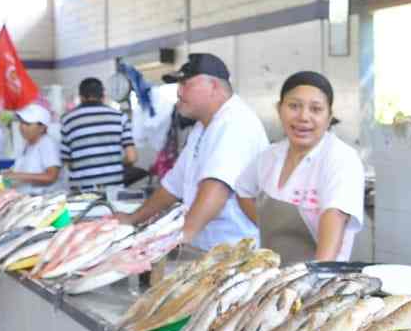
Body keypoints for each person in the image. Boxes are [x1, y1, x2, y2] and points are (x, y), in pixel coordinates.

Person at [118, 53, 267, 250]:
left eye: (185, 84)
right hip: (207, 249)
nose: (178, 92)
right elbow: (173, 185)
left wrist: (176, 239)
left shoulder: (234, 122)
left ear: (213, 86)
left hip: (236, 252)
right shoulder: (203, 126)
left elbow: (216, 189)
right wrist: (133, 219)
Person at [235, 72, 365, 264]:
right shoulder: (269, 156)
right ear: (279, 109)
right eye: (294, 106)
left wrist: (315, 276)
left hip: (321, 279)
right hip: (272, 274)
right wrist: (267, 226)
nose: (303, 117)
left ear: (329, 117)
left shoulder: (341, 158)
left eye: (316, 109)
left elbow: (335, 216)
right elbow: (243, 190)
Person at [60, 77, 136, 190]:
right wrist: (113, 164)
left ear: (80, 97)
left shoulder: (67, 119)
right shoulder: (120, 117)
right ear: (103, 96)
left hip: (81, 189)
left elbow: (67, 161)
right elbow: (131, 157)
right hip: (114, 186)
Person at [5, 105, 62, 194]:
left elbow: (51, 176)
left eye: (28, 124)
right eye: (21, 122)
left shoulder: (47, 144)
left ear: (42, 128)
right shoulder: (27, 145)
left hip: (43, 199)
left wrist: (18, 176)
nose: (22, 127)